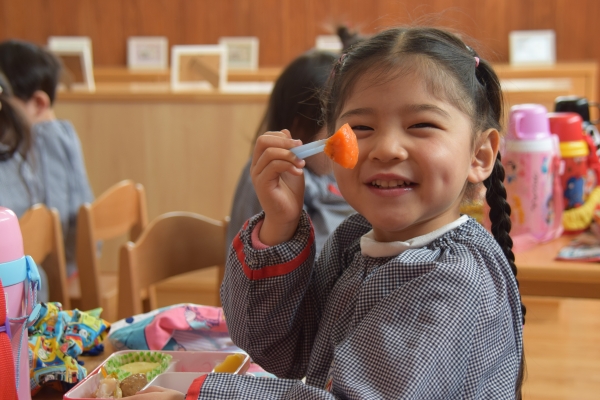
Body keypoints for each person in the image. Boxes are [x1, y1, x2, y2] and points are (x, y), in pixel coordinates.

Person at [132, 26, 525, 400]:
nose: (386, 148)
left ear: (479, 155)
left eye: (421, 124)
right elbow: (279, 350)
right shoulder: (354, 240)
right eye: (361, 127)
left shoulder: (453, 281)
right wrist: (280, 225)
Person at [226, 49, 355, 256]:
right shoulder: (271, 180)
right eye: (335, 125)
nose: (347, 135)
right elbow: (254, 262)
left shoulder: (330, 173)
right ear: (300, 126)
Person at [0, 39, 94, 280]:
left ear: (38, 103)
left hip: (40, 283)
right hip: (50, 276)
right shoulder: (61, 135)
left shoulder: (44, 141)